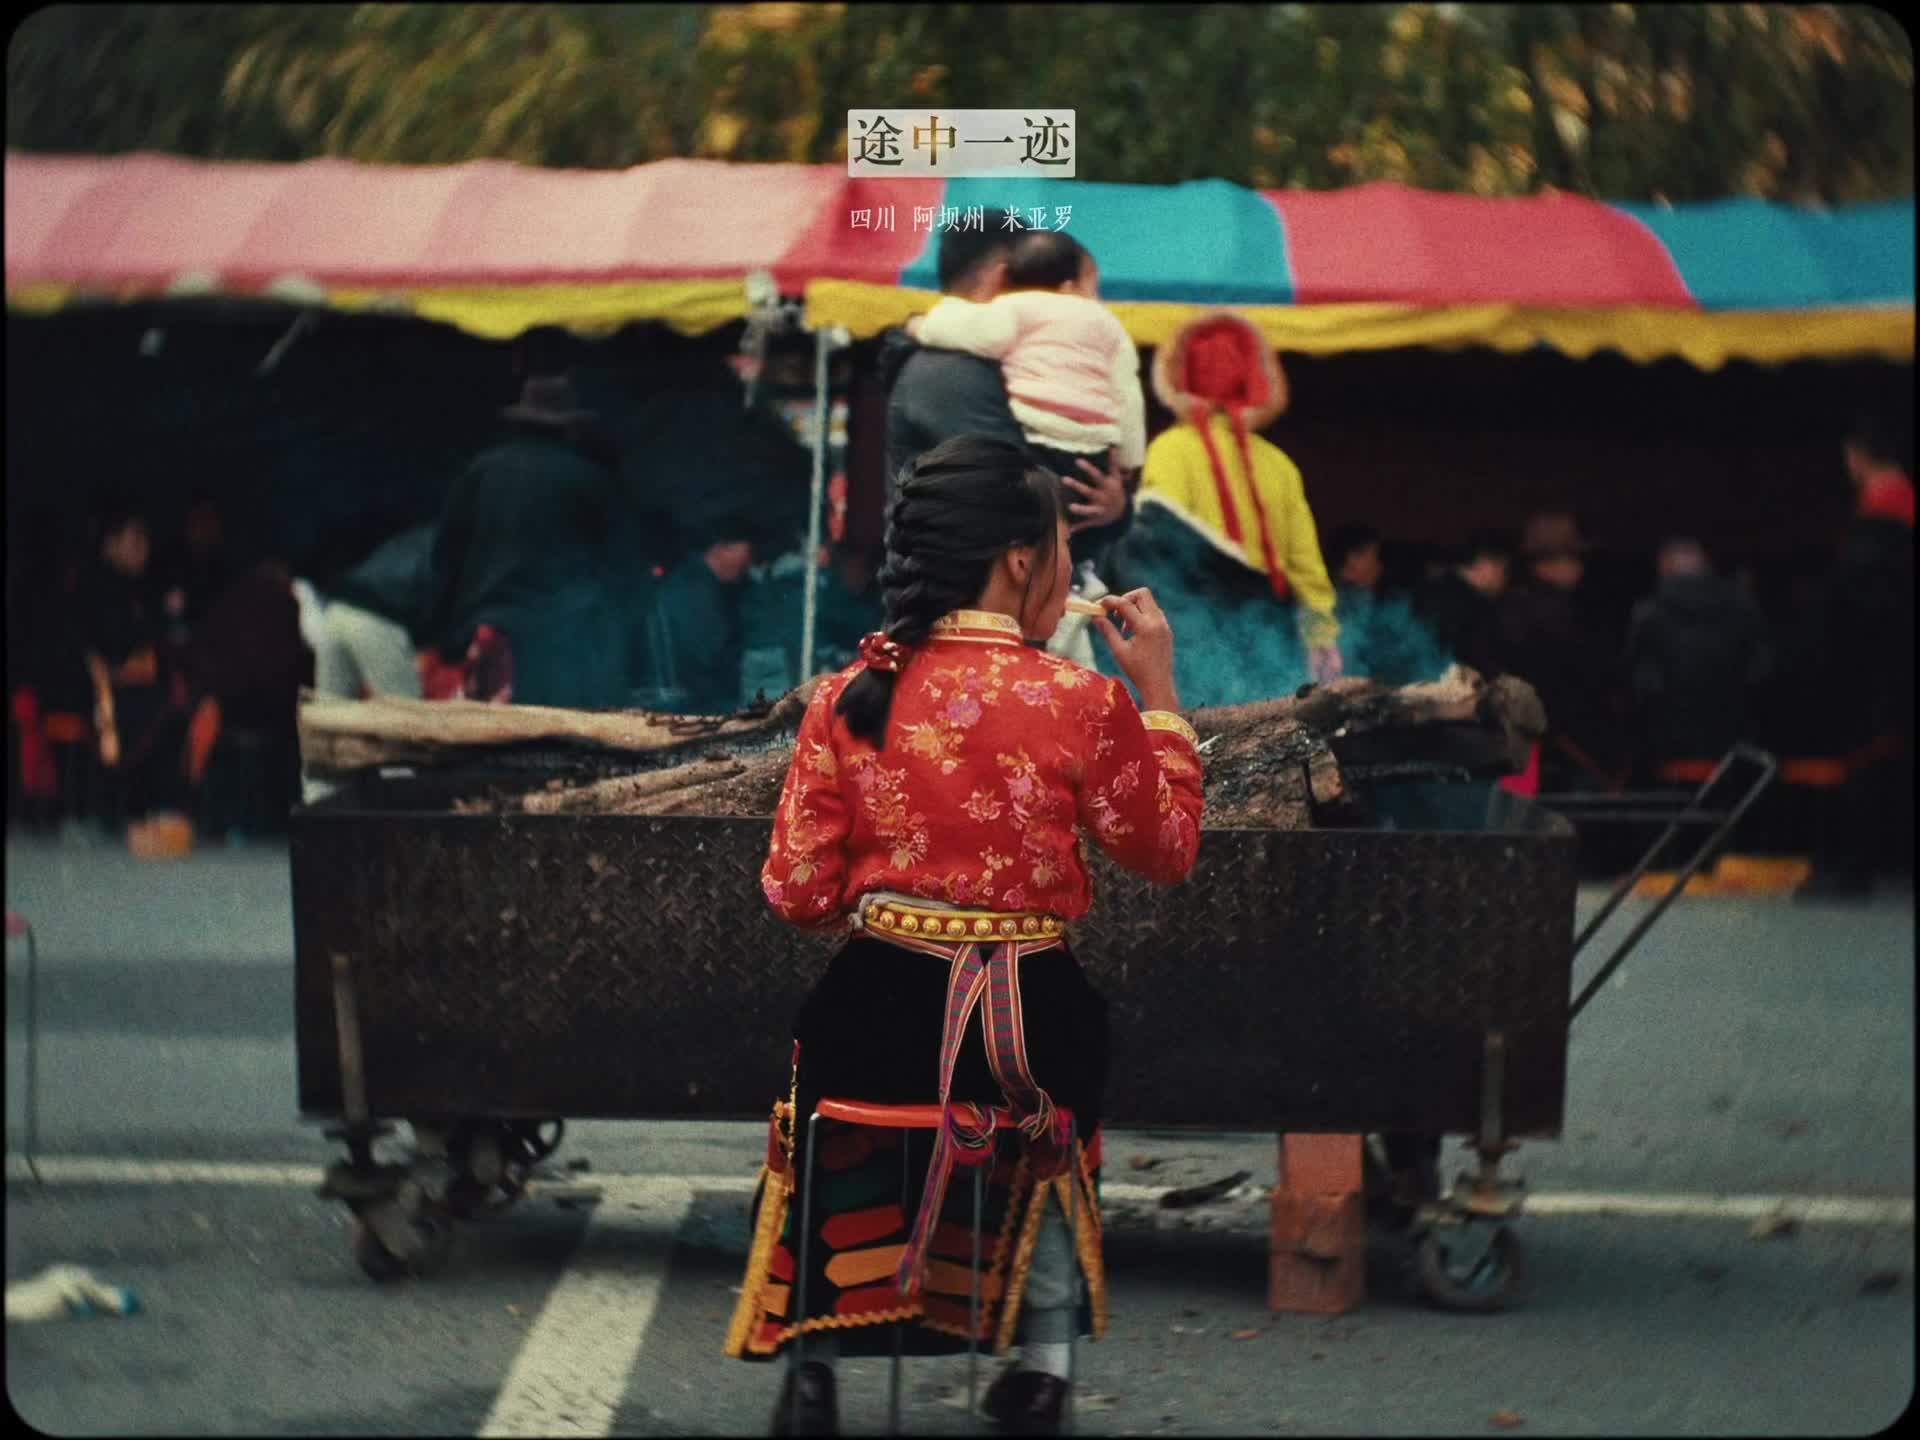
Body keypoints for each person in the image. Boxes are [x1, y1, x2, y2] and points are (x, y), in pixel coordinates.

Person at [726, 436, 1205, 1438]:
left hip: (876, 1013)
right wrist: (1160, 696)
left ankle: (811, 1369)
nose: (1071, 570)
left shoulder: (848, 696)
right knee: (1055, 1125)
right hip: (1032, 1019)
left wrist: (886, 900)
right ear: (1022, 561)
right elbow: (1165, 852)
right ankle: (1044, 1373)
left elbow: (796, 894)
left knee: (823, 1108)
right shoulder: (1081, 699)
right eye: (1064, 547)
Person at [880, 216, 1133, 612]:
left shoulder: (1009, 365)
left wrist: (1114, 506)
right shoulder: (948, 370)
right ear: (1003, 279)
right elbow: (1013, 487)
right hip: (961, 614)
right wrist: (1108, 506)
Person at [1115, 310, 1339, 704]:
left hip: (1193, 634)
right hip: (1269, 630)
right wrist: (1323, 636)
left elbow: (1156, 554)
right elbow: (1307, 568)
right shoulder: (1278, 462)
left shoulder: (1169, 449)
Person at [418, 373, 628, 710]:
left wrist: (446, 637)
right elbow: (622, 567)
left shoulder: (481, 472)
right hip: (563, 641)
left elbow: (445, 559)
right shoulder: (589, 480)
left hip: (491, 633)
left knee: (492, 731)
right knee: (557, 730)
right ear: (569, 427)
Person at [1803, 413, 1915, 895]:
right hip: (1896, 675)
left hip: (1872, 678)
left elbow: (1855, 611)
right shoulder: (1903, 511)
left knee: (1866, 766)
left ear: (1857, 457)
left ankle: (1855, 868)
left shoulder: (1877, 522)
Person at [1623, 536, 1772, 774]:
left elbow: (1642, 686)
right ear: (1705, 566)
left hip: (1669, 746)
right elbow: (1761, 675)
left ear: (1663, 567)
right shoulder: (1744, 609)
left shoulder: (1648, 616)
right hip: (1735, 742)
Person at [1493, 512, 1618, 790]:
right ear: (1555, 561)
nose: (1580, 569)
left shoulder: (1507, 606)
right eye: (1576, 559)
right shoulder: (1560, 612)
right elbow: (1584, 678)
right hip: (1567, 746)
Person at [1324, 524, 1450, 686]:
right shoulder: (1331, 601)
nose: (1380, 566)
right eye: (1375, 557)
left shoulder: (1377, 599)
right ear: (1352, 558)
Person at [653, 521, 756, 715]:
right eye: (746, 553)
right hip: (698, 701)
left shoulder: (696, 581)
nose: (748, 563)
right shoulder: (695, 589)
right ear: (721, 549)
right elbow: (707, 654)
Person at [1413, 528, 1512, 679]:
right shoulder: (1475, 607)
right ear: (1486, 564)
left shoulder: (1432, 587)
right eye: (1504, 570)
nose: (1505, 580)